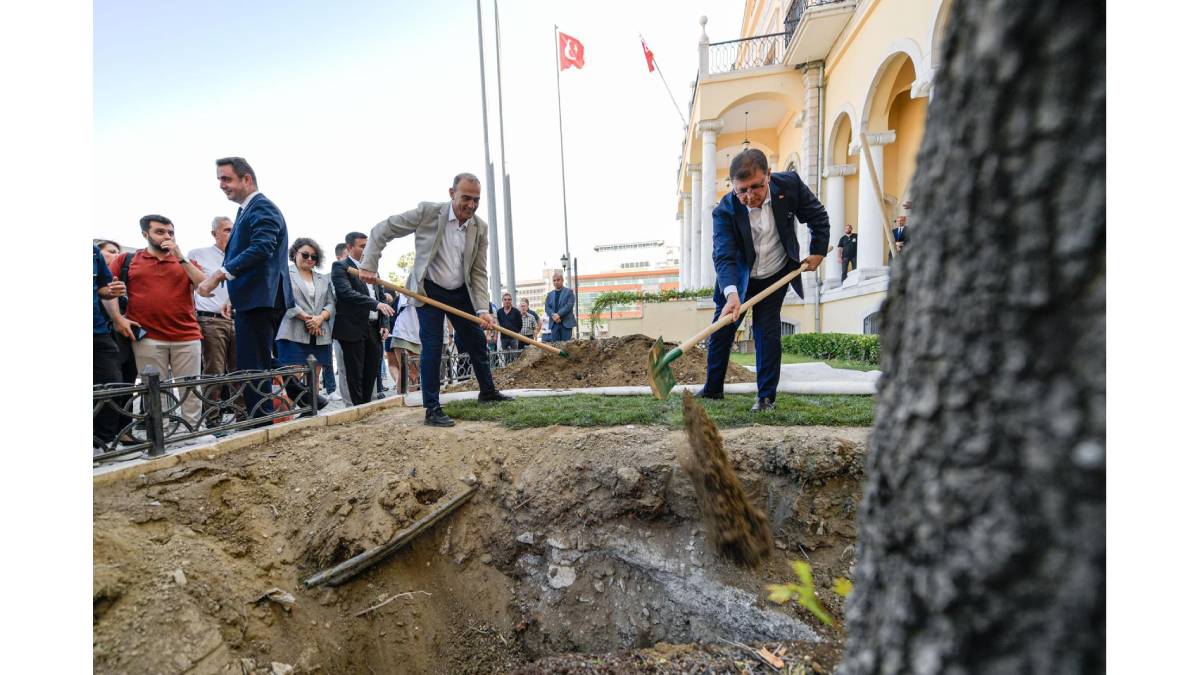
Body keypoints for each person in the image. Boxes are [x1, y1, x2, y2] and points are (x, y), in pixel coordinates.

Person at [356, 172, 513, 428]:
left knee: (476, 342)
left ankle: (488, 392)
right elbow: (384, 229)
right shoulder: (428, 213)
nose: (471, 205)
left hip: (460, 291)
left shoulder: (479, 228)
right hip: (428, 291)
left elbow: (478, 272)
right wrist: (369, 263)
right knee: (432, 346)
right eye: (466, 198)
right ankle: (432, 408)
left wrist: (483, 309)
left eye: (476, 200)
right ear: (452, 194)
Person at [698, 148, 829, 412]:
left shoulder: (789, 185)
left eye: (755, 187)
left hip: (775, 274)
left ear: (768, 176)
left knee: (766, 331)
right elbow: (723, 255)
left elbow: (817, 216)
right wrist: (732, 294)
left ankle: (765, 396)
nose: (749, 196)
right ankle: (712, 390)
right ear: (734, 188)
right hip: (739, 278)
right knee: (721, 331)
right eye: (742, 190)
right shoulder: (724, 210)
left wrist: (817, 251)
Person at [197, 157, 294, 422]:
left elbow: (262, 247)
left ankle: (259, 421)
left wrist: (219, 275)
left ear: (246, 179)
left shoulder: (262, 208)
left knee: (252, 365)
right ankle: (305, 396)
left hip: (263, 298)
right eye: (219, 179)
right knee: (256, 360)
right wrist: (233, 296)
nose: (221, 185)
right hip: (252, 298)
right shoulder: (245, 211)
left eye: (226, 179)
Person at [109, 215, 208, 428]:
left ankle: (194, 431)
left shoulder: (185, 262)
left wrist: (180, 256)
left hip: (187, 336)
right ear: (146, 234)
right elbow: (108, 290)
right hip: (148, 338)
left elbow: (205, 287)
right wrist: (118, 318)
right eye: (160, 232)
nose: (167, 236)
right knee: (155, 391)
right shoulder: (127, 260)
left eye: (170, 232)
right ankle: (159, 434)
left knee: (191, 388)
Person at [330, 232, 394, 406]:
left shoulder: (374, 271)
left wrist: (384, 323)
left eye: (368, 246)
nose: (367, 249)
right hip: (352, 328)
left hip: (374, 329)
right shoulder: (340, 267)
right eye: (362, 246)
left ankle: (366, 408)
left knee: (371, 372)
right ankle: (357, 410)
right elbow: (347, 294)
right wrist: (376, 304)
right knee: (355, 374)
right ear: (350, 247)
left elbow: (381, 299)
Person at [187, 217, 237, 428]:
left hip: (238, 318)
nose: (231, 233)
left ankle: (242, 416)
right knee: (214, 371)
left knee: (239, 371)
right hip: (210, 319)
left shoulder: (240, 257)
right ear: (214, 233)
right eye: (226, 230)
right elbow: (191, 287)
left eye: (233, 230)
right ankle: (213, 419)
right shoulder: (198, 254)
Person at [274, 238, 335, 409]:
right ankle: (286, 412)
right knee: (292, 373)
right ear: (295, 253)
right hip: (293, 329)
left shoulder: (323, 278)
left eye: (314, 257)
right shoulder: (284, 273)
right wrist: (309, 319)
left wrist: (320, 318)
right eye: (305, 254)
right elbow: (285, 300)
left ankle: (312, 409)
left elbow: (331, 303)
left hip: (319, 332)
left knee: (315, 372)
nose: (310, 259)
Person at [93, 244, 127, 447]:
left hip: (97, 331)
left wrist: (114, 290)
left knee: (112, 385)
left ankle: (103, 443)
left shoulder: (92, 252)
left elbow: (103, 288)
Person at [544, 271, 576, 342]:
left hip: (566, 323)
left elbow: (569, 306)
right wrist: (553, 316)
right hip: (554, 324)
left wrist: (558, 315)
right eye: (554, 280)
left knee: (566, 346)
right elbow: (547, 308)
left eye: (558, 280)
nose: (556, 282)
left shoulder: (569, 292)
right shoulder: (549, 294)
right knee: (555, 346)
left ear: (562, 280)